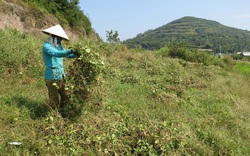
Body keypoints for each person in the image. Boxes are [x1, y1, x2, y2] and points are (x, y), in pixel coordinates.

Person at [42, 24, 76, 112]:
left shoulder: (59, 46)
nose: (60, 40)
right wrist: (69, 50)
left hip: (61, 76)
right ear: (54, 37)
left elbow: (66, 54)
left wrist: (76, 54)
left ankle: (62, 112)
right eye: (59, 38)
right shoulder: (47, 46)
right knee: (54, 100)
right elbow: (57, 53)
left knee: (66, 96)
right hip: (51, 77)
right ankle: (54, 117)